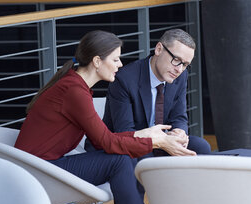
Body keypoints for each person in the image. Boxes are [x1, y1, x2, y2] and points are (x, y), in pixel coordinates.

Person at [14, 30, 195, 204]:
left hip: (47, 165)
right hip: (38, 171)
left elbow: (101, 138)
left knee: (120, 158)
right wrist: (155, 141)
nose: (120, 65)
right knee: (118, 161)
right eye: (116, 59)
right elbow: (105, 141)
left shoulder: (76, 87)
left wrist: (145, 135)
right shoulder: (74, 91)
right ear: (97, 61)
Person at [88, 28, 211, 156]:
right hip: (128, 145)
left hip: (162, 142)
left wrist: (180, 132)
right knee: (146, 158)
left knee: (201, 147)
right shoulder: (124, 79)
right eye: (176, 59)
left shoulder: (180, 75)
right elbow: (125, 132)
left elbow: (179, 116)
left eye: (185, 64)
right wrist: (162, 141)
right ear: (158, 49)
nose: (179, 69)